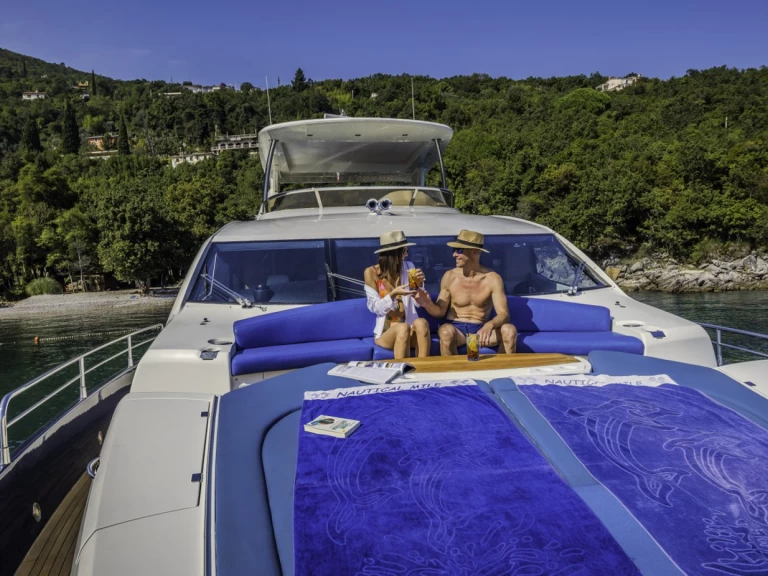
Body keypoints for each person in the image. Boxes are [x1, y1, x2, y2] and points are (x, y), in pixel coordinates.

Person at [414, 230, 517, 355]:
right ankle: (452, 373)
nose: (455, 255)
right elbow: (440, 312)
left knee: (509, 331)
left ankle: (501, 371)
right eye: (454, 250)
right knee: (446, 332)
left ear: (475, 252)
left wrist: (490, 325)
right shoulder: (450, 276)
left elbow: (504, 314)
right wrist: (427, 303)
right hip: (457, 330)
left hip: (481, 329)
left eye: (460, 250)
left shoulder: (492, 278)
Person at [364, 231, 431, 359]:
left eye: (407, 250)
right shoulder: (371, 273)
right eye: (404, 251)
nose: (406, 255)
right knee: (402, 328)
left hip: (409, 329)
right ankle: (401, 373)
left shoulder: (409, 267)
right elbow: (375, 308)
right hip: (386, 333)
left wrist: (420, 286)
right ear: (392, 254)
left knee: (422, 323)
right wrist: (393, 294)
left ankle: (423, 369)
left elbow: (418, 303)